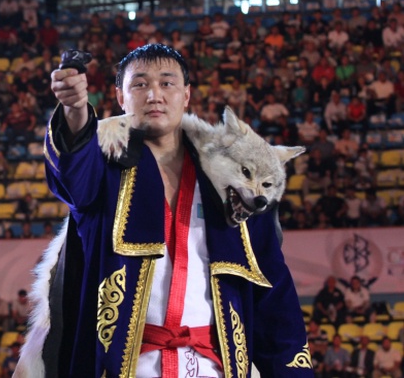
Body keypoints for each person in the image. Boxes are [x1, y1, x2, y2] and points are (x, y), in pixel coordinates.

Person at [17, 44, 311, 376]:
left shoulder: (235, 182)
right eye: (140, 84)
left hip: (215, 368)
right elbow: (73, 172)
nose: (154, 95)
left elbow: (274, 296)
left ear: (186, 95)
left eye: (167, 83)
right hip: (125, 367)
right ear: (120, 96)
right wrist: (75, 111)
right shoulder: (103, 170)